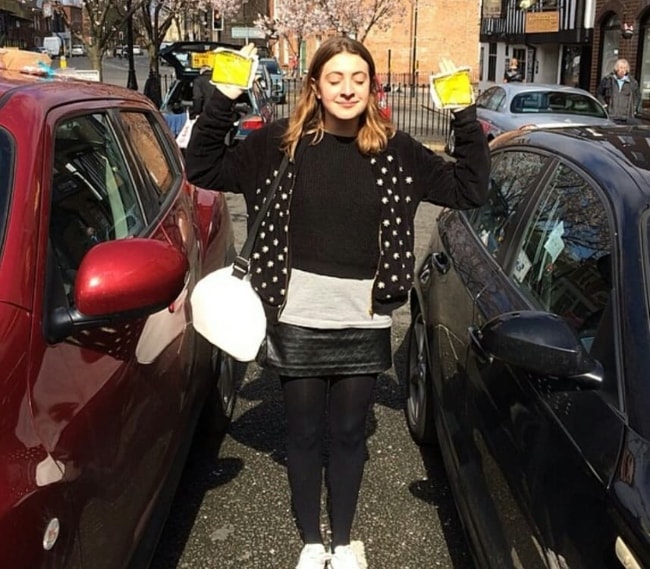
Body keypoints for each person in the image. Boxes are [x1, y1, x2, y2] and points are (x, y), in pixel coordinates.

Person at [185, 37, 489, 569]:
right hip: (296, 311)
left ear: (373, 87)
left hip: (363, 314)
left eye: (358, 79)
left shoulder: (396, 149)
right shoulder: (280, 142)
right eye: (335, 78)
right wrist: (223, 97)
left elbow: (470, 188)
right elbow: (203, 170)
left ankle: (343, 542)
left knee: (349, 435)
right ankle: (310, 541)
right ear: (316, 86)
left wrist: (464, 114)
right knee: (302, 433)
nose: (347, 89)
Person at [596, 58, 641, 123]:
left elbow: (638, 96)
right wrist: (604, 105)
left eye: (625, 68)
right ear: (616, 68)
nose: (623, 70)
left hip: (626, 117)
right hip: (610, 116)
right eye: (621, 67)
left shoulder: (632, 83)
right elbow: (599, 94)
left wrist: (634, 109)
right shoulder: (608, 80)